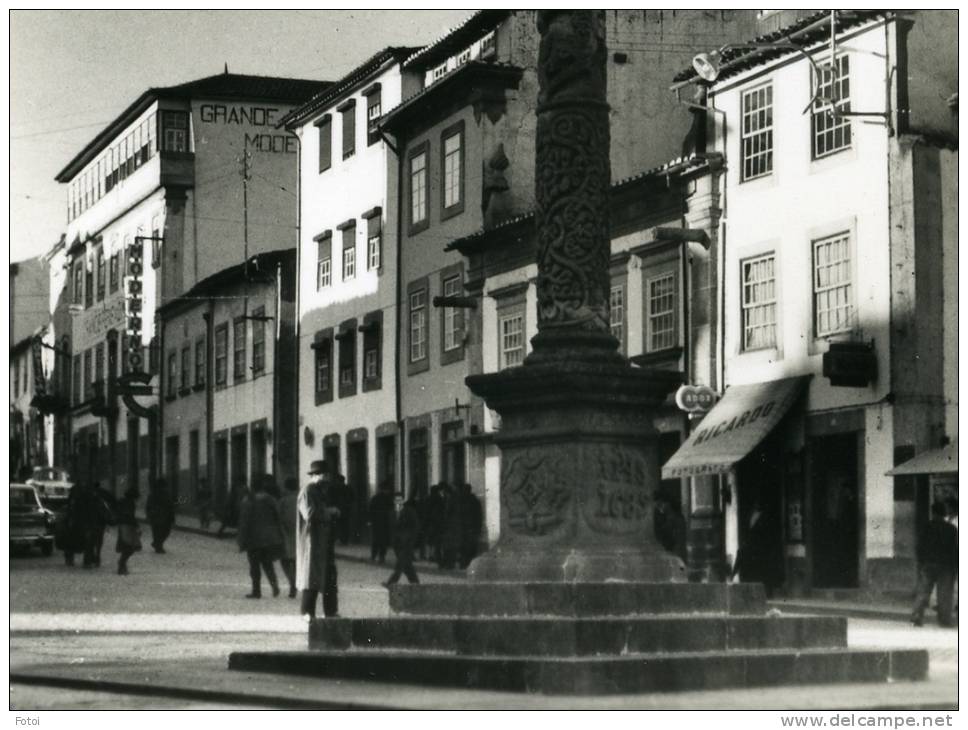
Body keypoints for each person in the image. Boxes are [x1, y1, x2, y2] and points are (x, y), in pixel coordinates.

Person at [296, 460, 341, 620]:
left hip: (324, 541)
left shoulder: (321, 491)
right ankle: (307, 612)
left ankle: (331, 611)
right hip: (312, 542)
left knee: (329, 576)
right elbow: (309, 514)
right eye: (325, 475)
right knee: (312, 577)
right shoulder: (308, 490)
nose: (328, 478)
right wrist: (330, 511)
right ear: (316, 475)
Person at [911, 501, 958, 627]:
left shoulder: (927, 526)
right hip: (946, 565)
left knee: (924, 590)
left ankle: (916, 615)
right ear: (944, 514)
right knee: (945, 594)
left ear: (933, 513)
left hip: (929, 564)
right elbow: (954, 548)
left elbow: (919, 546)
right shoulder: (951, 529)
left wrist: (921, 561)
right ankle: (944, 620)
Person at [237, 480, 284, 599]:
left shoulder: (247, 501)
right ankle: (274, 586)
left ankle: (256, 591)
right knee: (268, 564)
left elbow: (244, 522)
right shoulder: (271, 500)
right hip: (269, 538)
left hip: (253, 539)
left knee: (254, 566)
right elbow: (278, 516)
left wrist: (241, 540)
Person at [732, 499, 783, 598]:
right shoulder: (752, 515)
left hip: (762, 548)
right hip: (754, 548)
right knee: (750, 568)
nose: (756, 505)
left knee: (764, 572)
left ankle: (766, 592)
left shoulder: (765, 517)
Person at [384, 495, 420, 586]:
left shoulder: (409, 512)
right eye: (396, 500)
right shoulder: (392, 513)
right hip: (397, 544)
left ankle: (391, 582)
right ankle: (415, 582)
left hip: (407, 542)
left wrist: (412, 540)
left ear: (403, 501)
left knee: (400, 564)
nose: (398, 502)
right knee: (407, 565)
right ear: (394, 501)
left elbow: (415, 526)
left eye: (400, 500)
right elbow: (390, 528)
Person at [278, 477, 299, 598]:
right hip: (299, 533)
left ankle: (292, 582)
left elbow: (278, 517)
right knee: (296, 561)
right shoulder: (302, 499)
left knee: (285, 560)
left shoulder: (283, 501)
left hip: (285, 532)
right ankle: (295, 581)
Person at [653, 491, 687, 564]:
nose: (660, 508)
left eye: (661, 504)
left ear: (668, 503)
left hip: (676, 553)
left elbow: (678, 541)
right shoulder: (665, 518)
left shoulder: (675, 518)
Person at [115, 488, 142, 575]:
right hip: (128, 526)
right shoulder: (129, 503)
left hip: (123, 525)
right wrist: (136, 525)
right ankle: (121, 565)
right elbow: (129, 515)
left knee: (126, 546)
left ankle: (122, 564)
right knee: (129, 546)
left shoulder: (122, 501)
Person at [146, 478, 175, 554]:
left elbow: (170, 506)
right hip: (157, 516)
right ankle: (158, 547)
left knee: (164, 532)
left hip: (164, 517)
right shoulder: (153, 495)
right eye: (163, 486)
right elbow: (149, 506)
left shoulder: (166, 494)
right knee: (158, 532)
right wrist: (149, 515)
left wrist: (172, 517)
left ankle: (157, 543)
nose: (164, 488)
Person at [458, 483, 483, 569]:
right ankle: (467, 563)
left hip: (466, 527)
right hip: (470, 527)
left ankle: (465, 563)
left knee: (466, 546)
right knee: (470, 546)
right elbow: (479, 515)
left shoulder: (463, 501)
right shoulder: (474, 500)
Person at [368, 484, 394, 563]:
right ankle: (381, 556)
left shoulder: (375, 498)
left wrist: (370, 520)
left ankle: (373, 555)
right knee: (383, 540)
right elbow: (392, 509)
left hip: (376, 521)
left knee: (376, 539)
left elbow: (370, 510)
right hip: (385, 522)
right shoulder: (389, 499)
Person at [424, 485, 446, 564]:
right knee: (436, 540)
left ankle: (430, 555)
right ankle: (435, 555)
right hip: (437, 523)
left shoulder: (428, 499)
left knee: (429, 540)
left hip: (430, 523)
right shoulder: (440, 499)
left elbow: (426, 511)